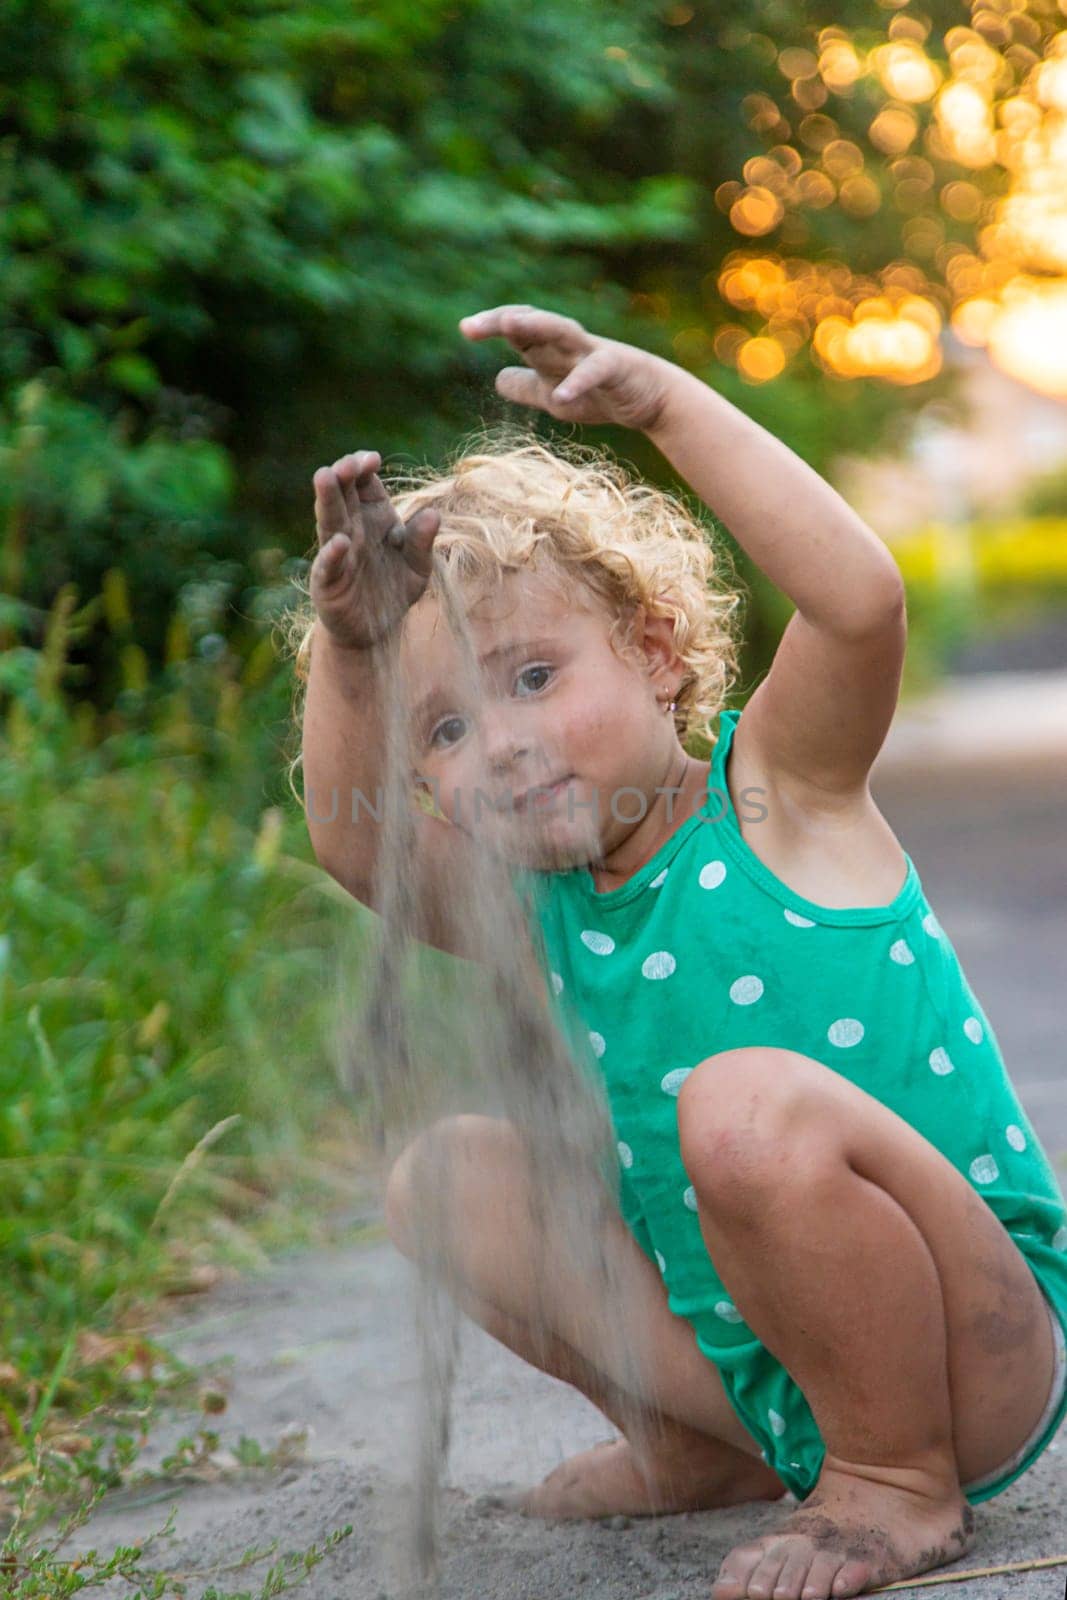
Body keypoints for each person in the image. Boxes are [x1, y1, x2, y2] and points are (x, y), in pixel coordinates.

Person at [292, 304, 1067, 1600]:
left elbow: (861, 602)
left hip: (968, 1349)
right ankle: (706, 1449)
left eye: (532, 679)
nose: (503, 746)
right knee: (449, 1177)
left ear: (656, 655)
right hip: (764, 1376)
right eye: (445, 731)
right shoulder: (529, 905)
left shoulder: (784, 793)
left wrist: (662, 406)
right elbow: (348, 847)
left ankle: (894, 1478)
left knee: (740, 1102)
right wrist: (356, 655)